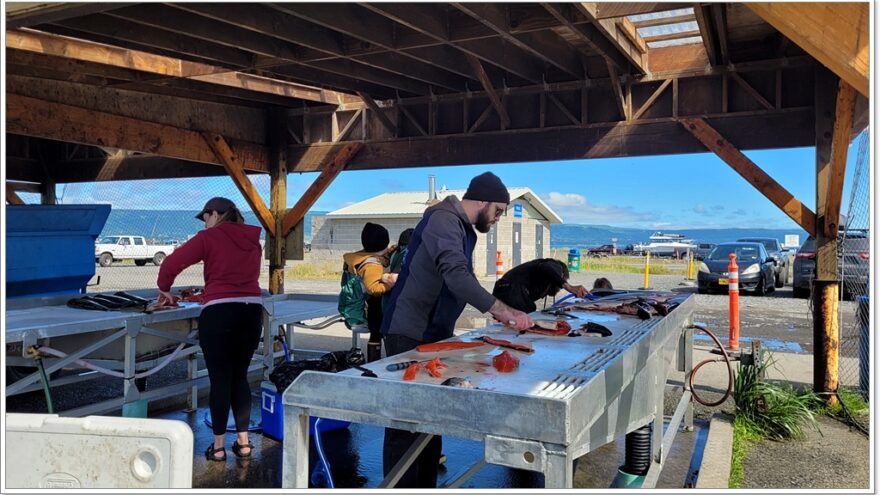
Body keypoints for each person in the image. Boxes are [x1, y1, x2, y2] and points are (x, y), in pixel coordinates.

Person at [380, 171, 534, 488]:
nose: (498, 220)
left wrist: (497, 310)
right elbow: (455, 275)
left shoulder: (465, 230)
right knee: (406, 418)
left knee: (431, 415)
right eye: (499, 211)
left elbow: (464, 280)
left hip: (434, 333)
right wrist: (502, 311)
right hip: (409, 329)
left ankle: (424, 484)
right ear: (483, 200)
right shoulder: (443, 220)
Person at [156, 197, 263, 463]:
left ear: (214, 214)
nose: (205, 225)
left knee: (220, 379)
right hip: (251, 311)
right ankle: (244, 443)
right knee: (240, 377)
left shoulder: (210, 237)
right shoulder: (253, 240)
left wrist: (164, 288)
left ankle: (217, 448)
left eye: (205, 219)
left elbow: (171, 264)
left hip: (219, 313)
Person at [342, 222, 397, 362]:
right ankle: (374, 361)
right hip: (369, 308)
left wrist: (390, 250)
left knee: (376, 333)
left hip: (358, 305)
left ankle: (374, 360)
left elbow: (380, 255)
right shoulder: (372, 265)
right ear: (384, 243)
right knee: (377, 332)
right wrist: (392, 285)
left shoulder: (361, 257)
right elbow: (373, 288)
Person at [492, 258, 589, 313]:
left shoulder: (539, 277)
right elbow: (545, 267)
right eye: (560, 285)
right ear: (562, 275)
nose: (559, 289)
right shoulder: (556, 266)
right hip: (512, 290)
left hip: (500, 291)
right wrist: (568, 286)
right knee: (530, 314)